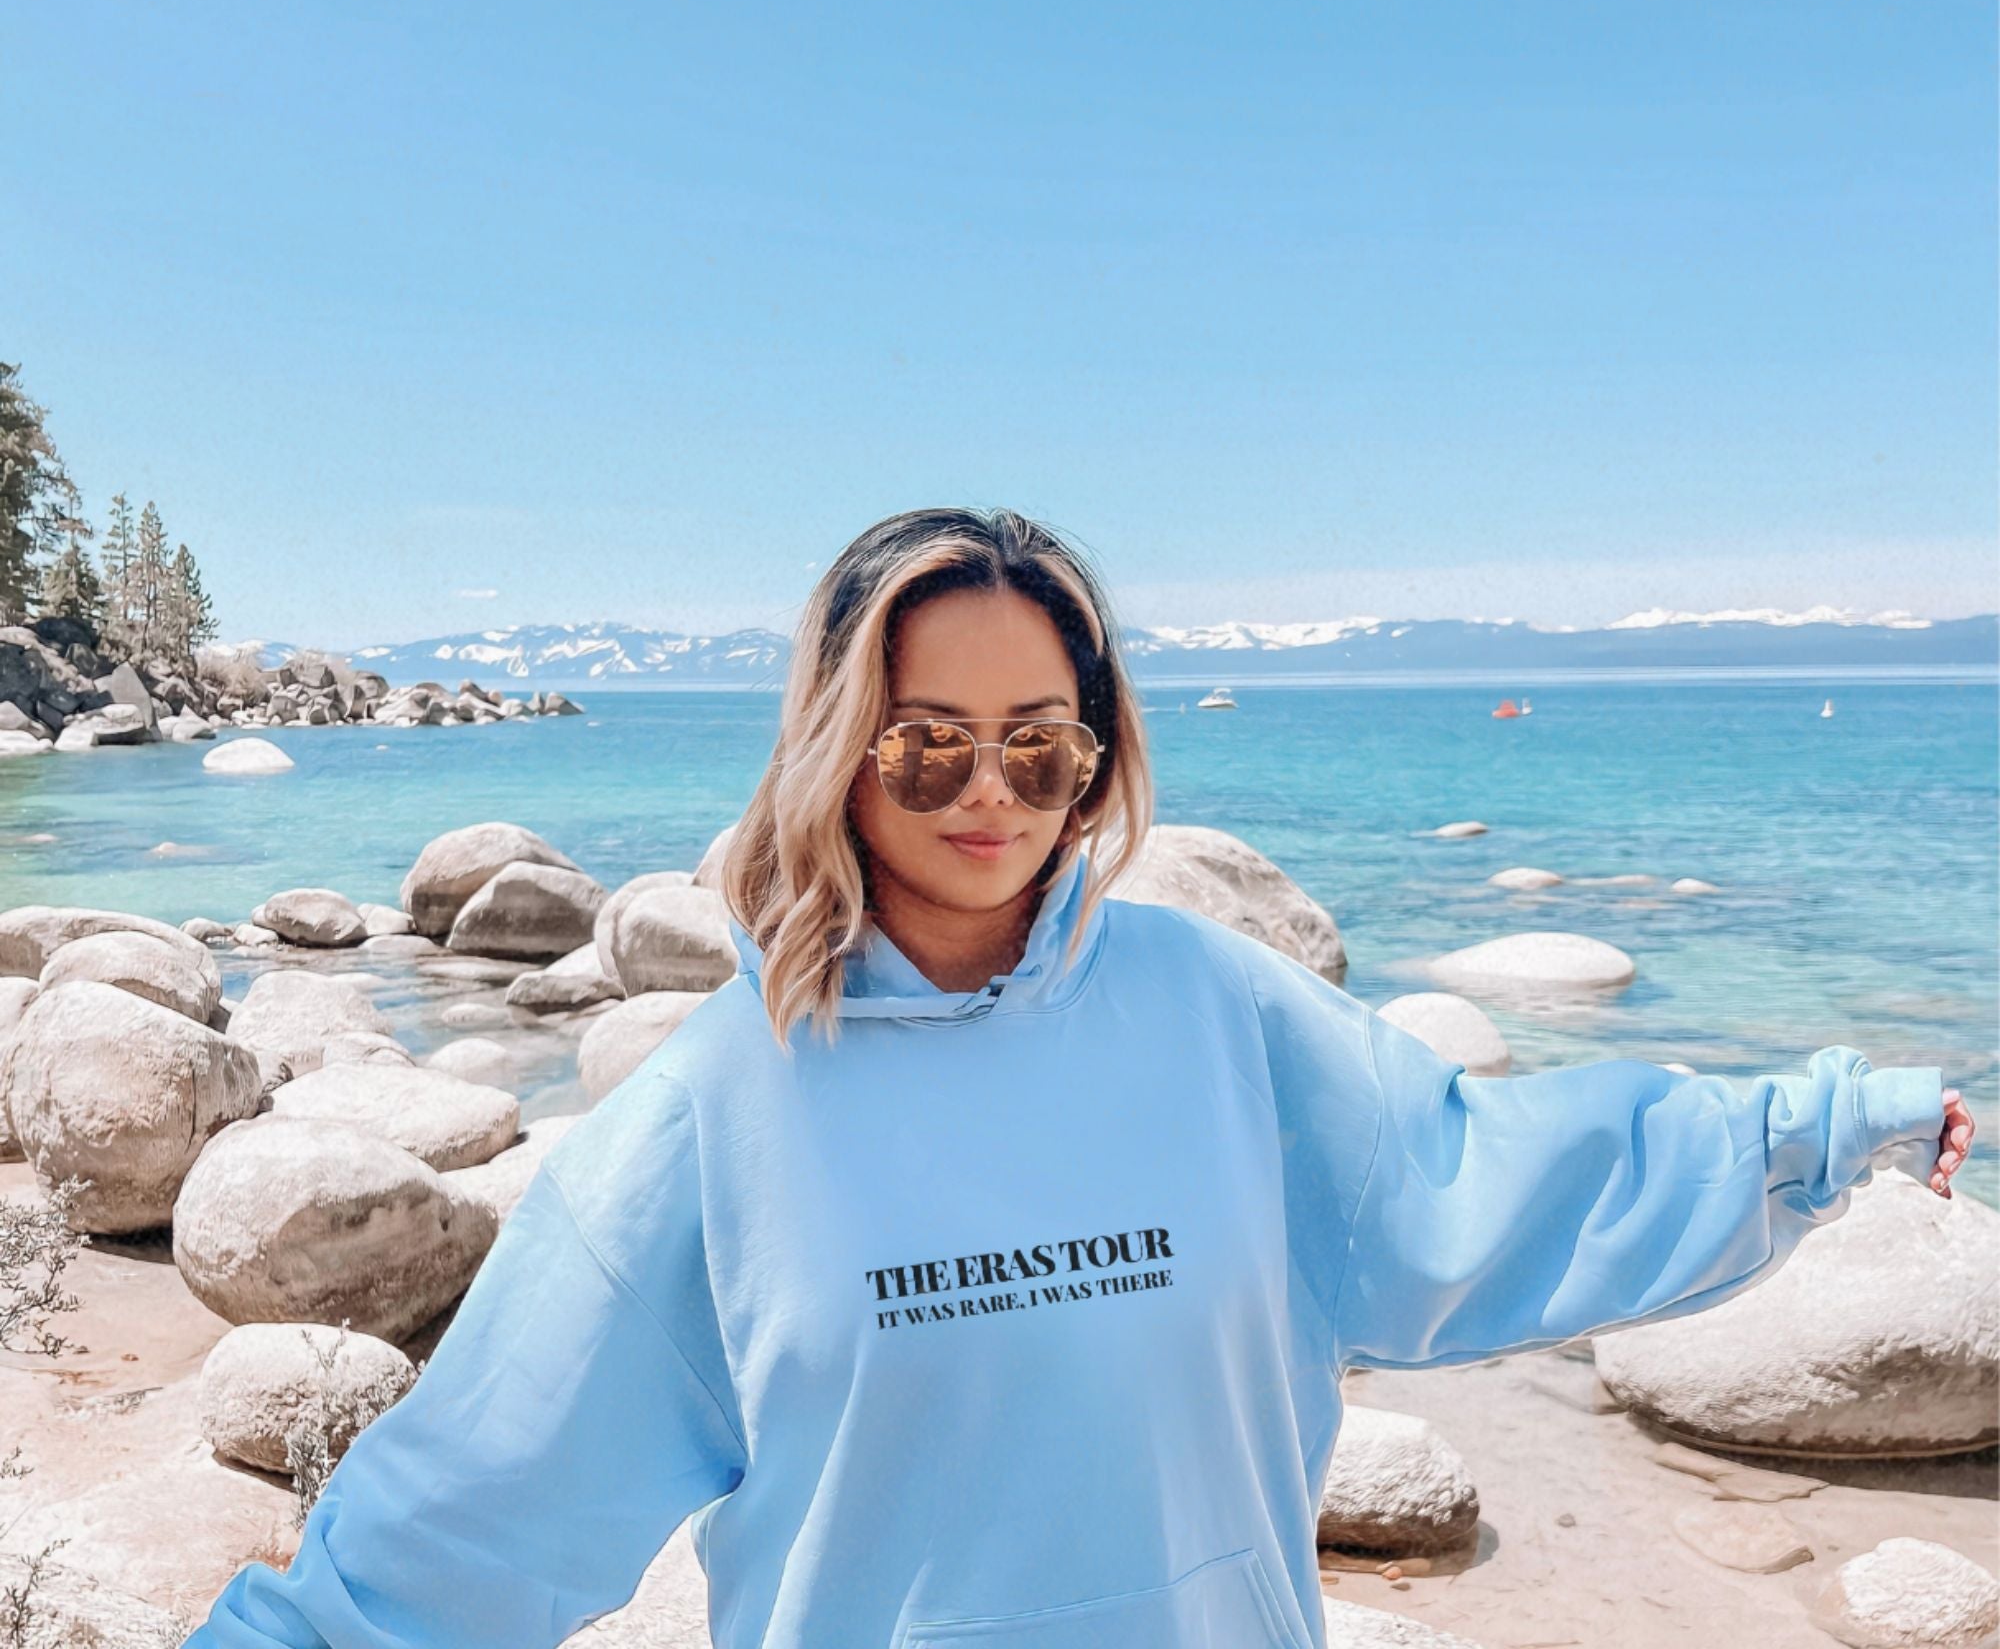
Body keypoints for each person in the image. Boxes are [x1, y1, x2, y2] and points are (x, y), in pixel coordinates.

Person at [184, 505, 1977, 1649]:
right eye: (928, 742)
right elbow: (487, 1503)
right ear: (835, 752)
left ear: (1100, 751)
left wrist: (1808, 1126)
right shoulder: (712, 1117)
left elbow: (1475, 1184)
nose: (990, 794)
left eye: (1042, 746)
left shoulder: (1212, 1008)